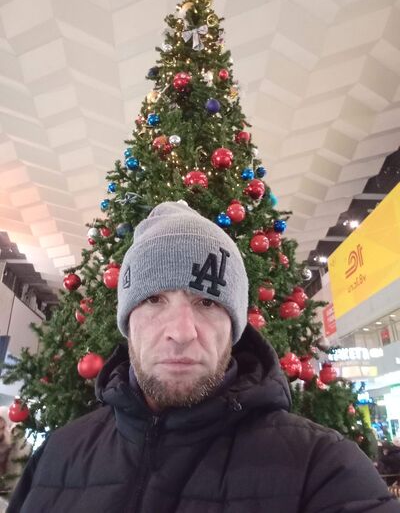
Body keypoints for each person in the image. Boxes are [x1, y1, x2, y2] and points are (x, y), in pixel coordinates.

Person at [7, 202, 400, 512]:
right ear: (127, 321)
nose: (181, 332)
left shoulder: (323, 468)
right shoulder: (57, 456)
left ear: (235, 326)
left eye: (208, 302)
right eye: (153, 299)